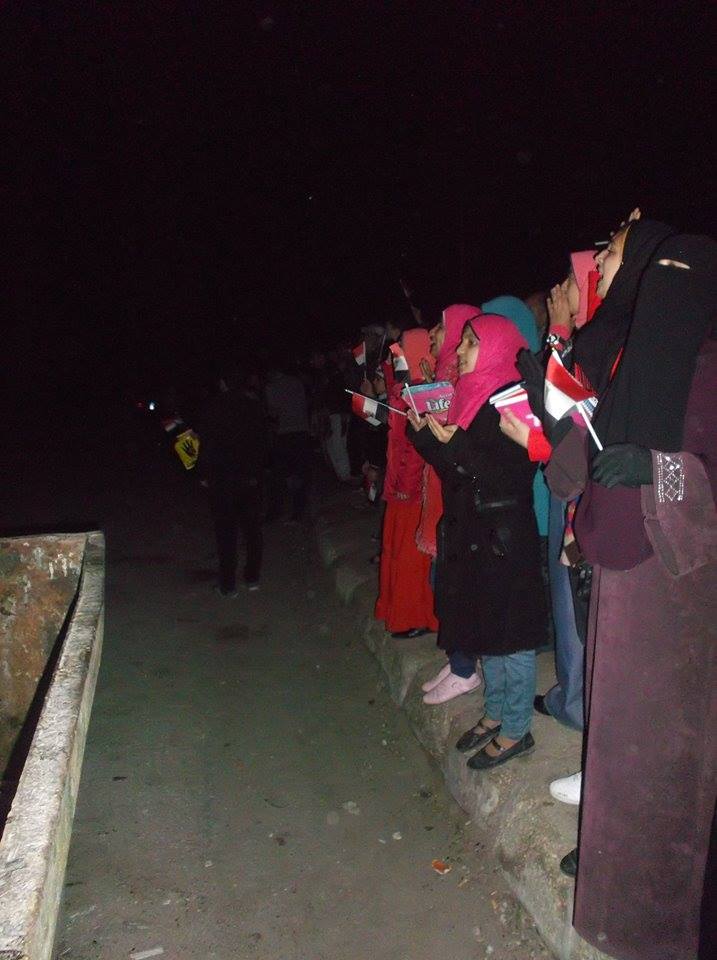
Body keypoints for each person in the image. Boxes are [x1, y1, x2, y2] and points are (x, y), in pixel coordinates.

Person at [544, 232, 716, 960]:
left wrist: (659, 470)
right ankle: (614, 872)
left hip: (682, 600)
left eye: (682, 277)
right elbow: (594, 450)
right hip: (623, 586)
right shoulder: (641, 357)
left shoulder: (709, 366)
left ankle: (657, 903)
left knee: (664, 752)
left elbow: (694, 470)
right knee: (618, 739)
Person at [409, 314, 547, 771]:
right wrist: (424, 434)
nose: (461, 350)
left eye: (471, 342)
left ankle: (516, 729)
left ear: (496, 349)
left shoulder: (513, 398)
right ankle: (495, 711)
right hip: (477, 533)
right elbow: (458, 469)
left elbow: (511, 472)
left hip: (505, 535)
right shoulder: (471, 395)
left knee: (513, 637)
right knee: (488, 629)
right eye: (464, 341)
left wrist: (457, 446)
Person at [374, 328, 439, 638]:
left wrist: (404, 488)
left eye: (402, 348)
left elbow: (411, 450)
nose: (396, 354)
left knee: (409, 557)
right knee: (401, 554)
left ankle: (412, 616)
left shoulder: (419, 392)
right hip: (403, 488)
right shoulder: (408, 390)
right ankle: (403, 613)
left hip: (410, 489)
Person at [415, 304, 482, 559]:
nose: (431, 333)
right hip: (444, 478)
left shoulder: (462, 377)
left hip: (454, 485)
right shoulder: (445, 372)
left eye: (442, 326)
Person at [197, 374, 266, 596]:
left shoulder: (213, 407)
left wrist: (203, 473)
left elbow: (205, 443)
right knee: (252, 530)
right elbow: (262, 441)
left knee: (226, 532)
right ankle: (252, 577)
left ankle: (228, 585)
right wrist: (258, 471)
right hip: (248, 477)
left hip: (222, 478)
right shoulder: (253, 406)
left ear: (222, 383)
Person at [265, 365, 312, 522]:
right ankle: (299, 509)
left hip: (284, 434)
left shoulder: (271, 387)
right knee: (299, 472)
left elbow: (273, 413)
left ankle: (276, 511)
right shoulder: (297, 382)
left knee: (279, 475)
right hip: (301, 432)